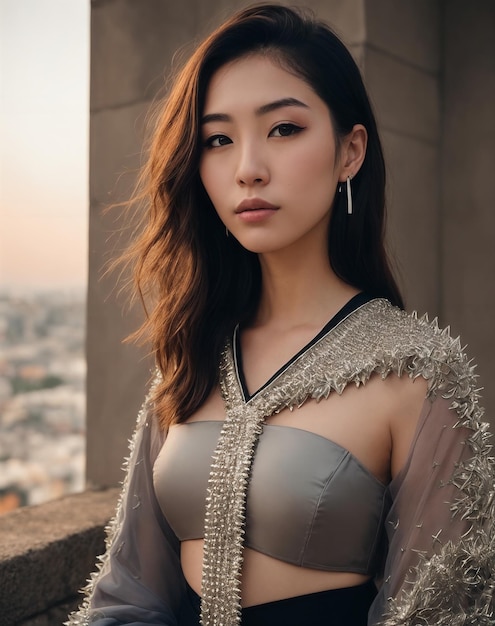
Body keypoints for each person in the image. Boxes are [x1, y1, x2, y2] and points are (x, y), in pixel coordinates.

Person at [67, 5, 495, 626]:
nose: (247, 169)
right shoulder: (191, 358)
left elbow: (439, 611)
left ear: (350, 152)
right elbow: (129, 592)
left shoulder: (420, 373)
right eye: (218, 139)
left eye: (283, 129)